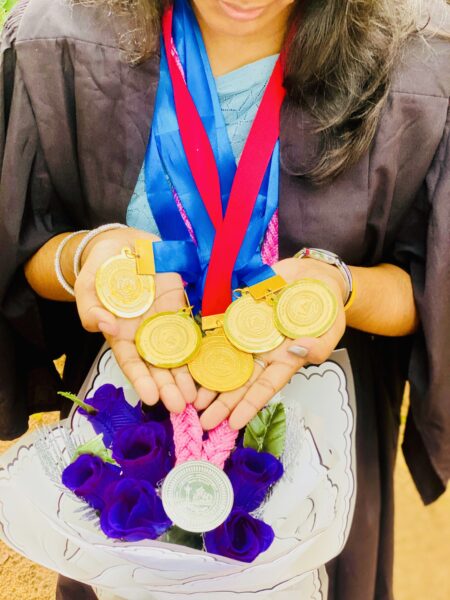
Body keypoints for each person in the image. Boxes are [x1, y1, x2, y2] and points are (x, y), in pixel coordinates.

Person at [0, 0, 449, 598]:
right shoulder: (60, 45)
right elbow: (22, 249)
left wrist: (339, 288)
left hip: (318, 440)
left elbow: (428, 291)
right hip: (125, 432)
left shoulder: (417, 69)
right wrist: (86, 257)